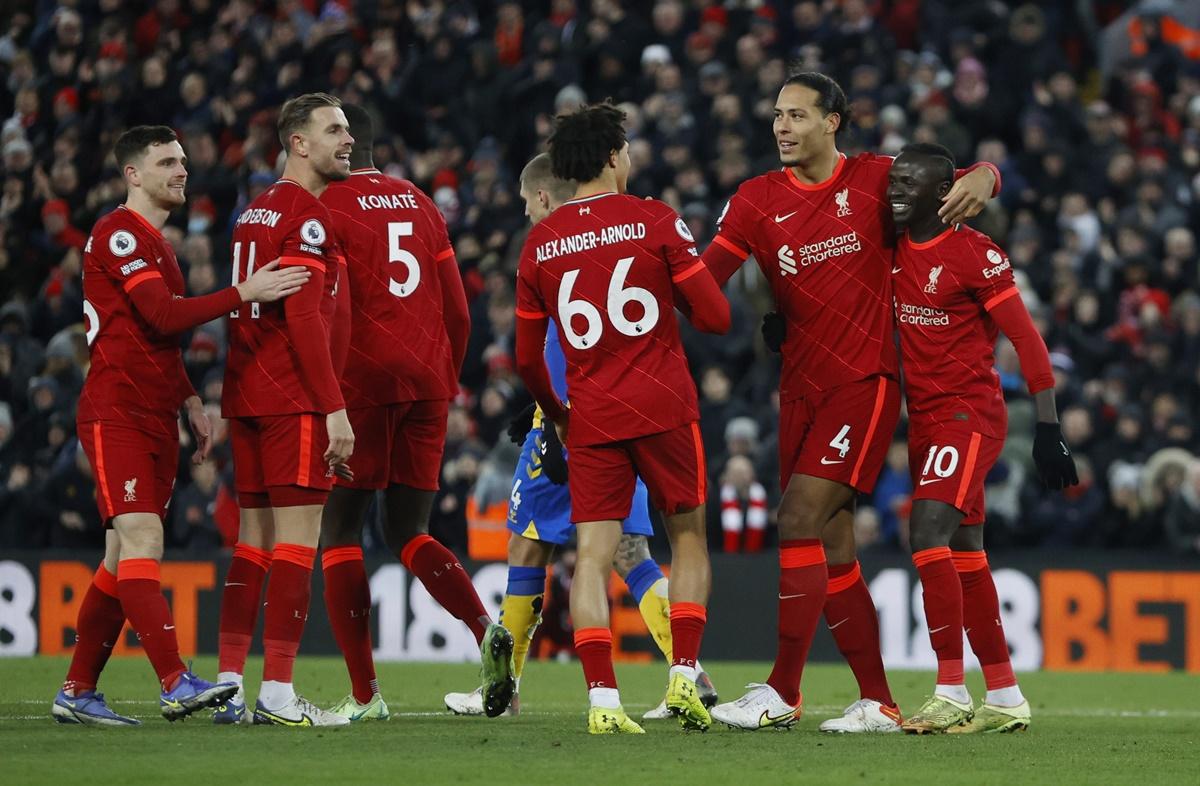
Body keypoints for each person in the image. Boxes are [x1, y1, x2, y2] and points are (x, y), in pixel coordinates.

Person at [702, 72, 1000, 732]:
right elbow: (703, 282)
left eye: (798, 115)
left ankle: (783, 689)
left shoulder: (876, 179)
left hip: (864, 384)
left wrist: (986, 174)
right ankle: (880, 701)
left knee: (796, 517)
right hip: (798, 389)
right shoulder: (754, 199)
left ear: (833, 121)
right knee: (832, 547)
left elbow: (958, 179)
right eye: (777, 115)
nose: (782, 127)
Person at [443, 153, 718, 720]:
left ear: (545, 197)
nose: (524, 213)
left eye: (526, 202)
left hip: (574, 424)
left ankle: (506, 687)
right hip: (636, 414)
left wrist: (551, 416)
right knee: (632, 552)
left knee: (530, 548)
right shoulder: (619, 234)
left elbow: (548, 351)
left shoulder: (549, 249)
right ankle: (690, 674)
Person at [52, 125, 309, 726]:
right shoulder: (118, 233)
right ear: (132, 174)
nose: (181, 171)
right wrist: (243, 290)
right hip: (115, 409)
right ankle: (175, 681)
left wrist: (191, 399)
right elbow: (162, 313)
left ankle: (77, 690)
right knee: (143, 540)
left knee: (120, 558)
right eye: (167, 162)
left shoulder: (161, 247)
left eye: (184, 162)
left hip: (154, 413)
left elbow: (160, 339)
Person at [514, 103, 730, 734]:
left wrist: (558, 416)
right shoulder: (654, 219)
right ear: (612, 157)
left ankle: (603, 703)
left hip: (592, 416)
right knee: (686, 536)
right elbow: (715, 317)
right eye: (627, 148)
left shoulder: (540, 242)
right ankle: (684, 677)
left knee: (591, 554)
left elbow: (528, 360)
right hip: (663, 404)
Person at [316, 103, 514, 722]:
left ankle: (365, 695)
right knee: (409, 530)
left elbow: (335, 307)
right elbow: (458, 309)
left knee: (341, 530)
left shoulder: (328, 209)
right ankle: (484, 627)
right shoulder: (421, 203)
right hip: (429, 385)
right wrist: (444, 380)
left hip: (363, 383)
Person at [886, 143, 1077, 733]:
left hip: (968, 414)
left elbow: (1027, 340)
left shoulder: (974, 254)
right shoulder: (890, 246)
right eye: (894, 179)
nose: (895, 190)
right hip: (926, 419)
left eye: (909, 183)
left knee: (926, 533)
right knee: (966, 554)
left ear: (942, 193)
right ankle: (1005, 694)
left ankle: (949, 689)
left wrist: (1049, 427)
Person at [214, 93, 356, 727]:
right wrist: (335, 410)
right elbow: (303, 322)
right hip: (292, 398)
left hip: (246, 395)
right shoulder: (307, 215)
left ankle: (226, 685)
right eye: (333, 130)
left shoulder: (252, 214)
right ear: (299, 143)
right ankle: (275, 691)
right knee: (299, 545)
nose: (346, 140)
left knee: (252, 545)